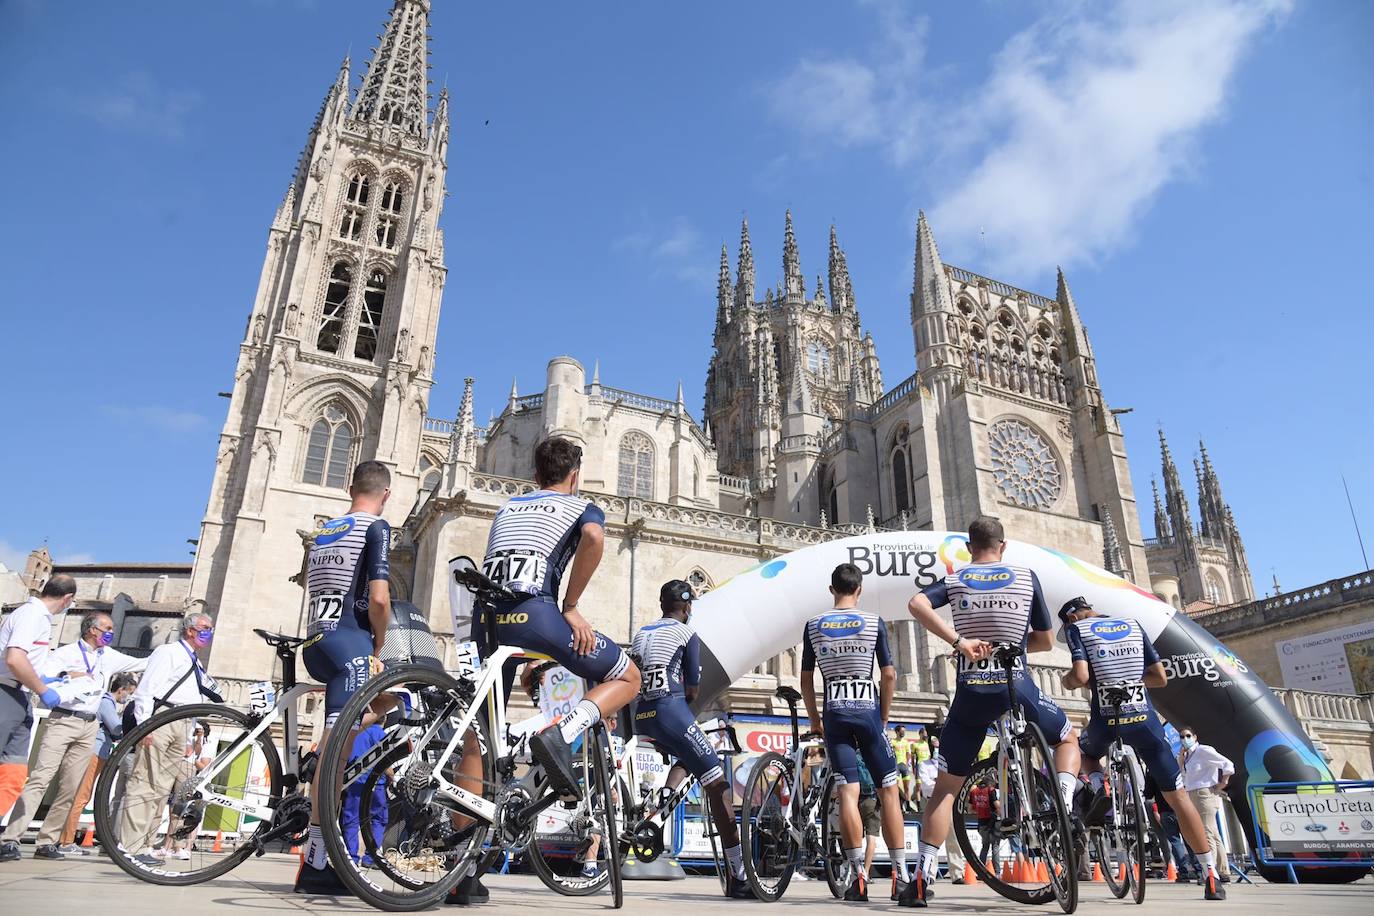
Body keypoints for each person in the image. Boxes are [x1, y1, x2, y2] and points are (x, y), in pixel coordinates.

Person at [903, 516, 1080, 907]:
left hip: (972, 691)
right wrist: (1010, 644)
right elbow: (1046, 641)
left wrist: (962, 641)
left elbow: (916, 603)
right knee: (1067, 737)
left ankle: (920, 878)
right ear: (1003, 546)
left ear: (970, 547)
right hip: (1018, 687)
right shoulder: (1025, 575)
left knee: (947, 789)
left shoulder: (957, 578)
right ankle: (1064, 800)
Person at [482, 437, 641, 798]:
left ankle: (461, 844)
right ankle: (562, 733)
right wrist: (570, 606)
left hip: (487, 620)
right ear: (575, 475)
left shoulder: (507, 507)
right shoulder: (581, 505)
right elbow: (594, 536)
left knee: (481, 735)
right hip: (535, 616)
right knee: (629, 676)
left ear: (536, 475)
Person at [1059, 596, 1226, 900]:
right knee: (1178, 800)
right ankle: (1210, 874)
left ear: (1071, 618)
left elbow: (1081, 676)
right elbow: (1159, 678)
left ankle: (1099, 786)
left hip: (1106, 721)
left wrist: (1069, 681)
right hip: (1145, 721)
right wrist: (1130, 682)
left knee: (1086, 752)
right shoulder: (1133, 626)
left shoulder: (1077, 630)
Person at [296, 460, 394, 896]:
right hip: (349, 643)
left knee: (354, 729)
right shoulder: (376, 528)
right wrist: (378, 644)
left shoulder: (325, 532)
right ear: (386, 494)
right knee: (336, 753)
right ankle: (318, 861)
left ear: (350, 488)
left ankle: (320, 853)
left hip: (317, 641)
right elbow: (378, 598)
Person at [629, 580, 752, 898]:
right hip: (671, 713)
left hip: (641, 716)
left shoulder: (642, 633)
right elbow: (693, 690)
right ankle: (738, 876)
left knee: (688, 756)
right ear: (687, 608)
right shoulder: (688, 633)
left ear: (661, 605)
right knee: (719, 786)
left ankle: (659, 809)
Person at [801, 562, 910, 902]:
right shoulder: (873, 622)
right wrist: (884, 716)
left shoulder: (814, 625)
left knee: (847, 793)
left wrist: (815, 719)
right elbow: (889, 675)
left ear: (832, 590)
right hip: (867, 712)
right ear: (859, 590)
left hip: (834, 714)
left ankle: (856, 877)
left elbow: (806, 679)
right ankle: (901, 877)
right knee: (888, 791)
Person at [1, 612, 146, 861]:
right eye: (107, 628)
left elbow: (141, 662)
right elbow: (40, 677)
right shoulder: (65, 654)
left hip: (89, 724)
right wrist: (67, 676)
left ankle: (48, 841)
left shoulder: (107, 656)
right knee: (41, 778)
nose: (111, 632)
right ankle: (10, 838)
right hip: (63, 720)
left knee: (71, 787)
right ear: (92, 630)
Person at [120, 611, 217, 864]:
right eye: (205, 627)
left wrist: (187, 738)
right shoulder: (168, 652)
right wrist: (144, 726)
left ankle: (145, 845)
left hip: (182, 722)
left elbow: (193, 699)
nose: (208, 632)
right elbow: (146, 689)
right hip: (162, 718)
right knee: (145, 782)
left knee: (161, 789)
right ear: (190, 629)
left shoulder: (195, 661)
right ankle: (130, 846)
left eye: (210, 628)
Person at [0, 574, 79, 863]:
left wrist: (52, 677)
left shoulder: (40, 618)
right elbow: (14, 659)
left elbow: (28, 661)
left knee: (14, 772)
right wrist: (43, 689)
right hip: (5, 693)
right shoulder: (32, 615)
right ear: (68, 599)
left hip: (20, 696)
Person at [61, 671, 139, 852]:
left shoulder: (107, 702)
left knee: (82, 795)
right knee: (81, 795)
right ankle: (66, 840)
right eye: (129, 692)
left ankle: (66, 838)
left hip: (99, 752)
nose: (129, 697)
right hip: (95, 751)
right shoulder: (106, 702)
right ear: (121, 689)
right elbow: (116, 729)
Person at [1178, 725, 1235, 887]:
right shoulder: (1187, 756)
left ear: (1194, 737)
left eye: (1188, 736)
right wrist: (1181, 761)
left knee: (1206, 832)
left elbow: (1227, 764)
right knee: (1213, 833)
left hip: (1204, 793)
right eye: (1182, 737)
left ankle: (1211, 873)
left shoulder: (1203, 750)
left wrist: (1223, 782)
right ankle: (1223, 870)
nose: (1185, 739)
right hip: (1192, 793)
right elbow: (1184, 776)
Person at [341, 724, 388, 866]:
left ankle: (351, 858)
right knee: (379, 819)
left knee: (351, 819)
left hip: (355, 781)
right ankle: (370, 857)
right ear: (384, 720)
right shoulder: (380, 734)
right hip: (377, 783)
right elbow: (387, 759)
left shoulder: (355, 732)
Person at [1145, 770, 1199, 882]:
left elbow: (1148, 794)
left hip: (1165, 811)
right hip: (1183, 808)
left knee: (1175, 841)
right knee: (1189, 840)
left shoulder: (1152, 772)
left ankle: (1183, 873)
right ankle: (1199, 869)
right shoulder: (1176, 766)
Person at [855, 755, 882, 882]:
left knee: (856, 838)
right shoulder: (873, 755)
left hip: (855, 800)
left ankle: (856, 871)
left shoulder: (853, 756)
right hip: (872, 799)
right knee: (871, 839)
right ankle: (865, 872)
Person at [969, 775, 1001, 874]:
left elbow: (970, 809)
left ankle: (981, 871)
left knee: (985, 846)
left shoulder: (974, 792)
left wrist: (979, 810)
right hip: (993, 822)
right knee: (995, 846)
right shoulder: (991, 791)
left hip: (981, 822)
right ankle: (997, 872)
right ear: (990, 783)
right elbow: (997, 806)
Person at [892, 725, 916, 812]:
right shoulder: (892, 742)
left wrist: (907, 762)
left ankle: (908, 805)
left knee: (906, 787)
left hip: (904, 765)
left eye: (904, 731)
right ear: (897, 732)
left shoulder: (905, 742)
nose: (903, 733)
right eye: (902, 731)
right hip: (896, 765)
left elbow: (908, 753)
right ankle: (898, 804)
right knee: (896, 786)